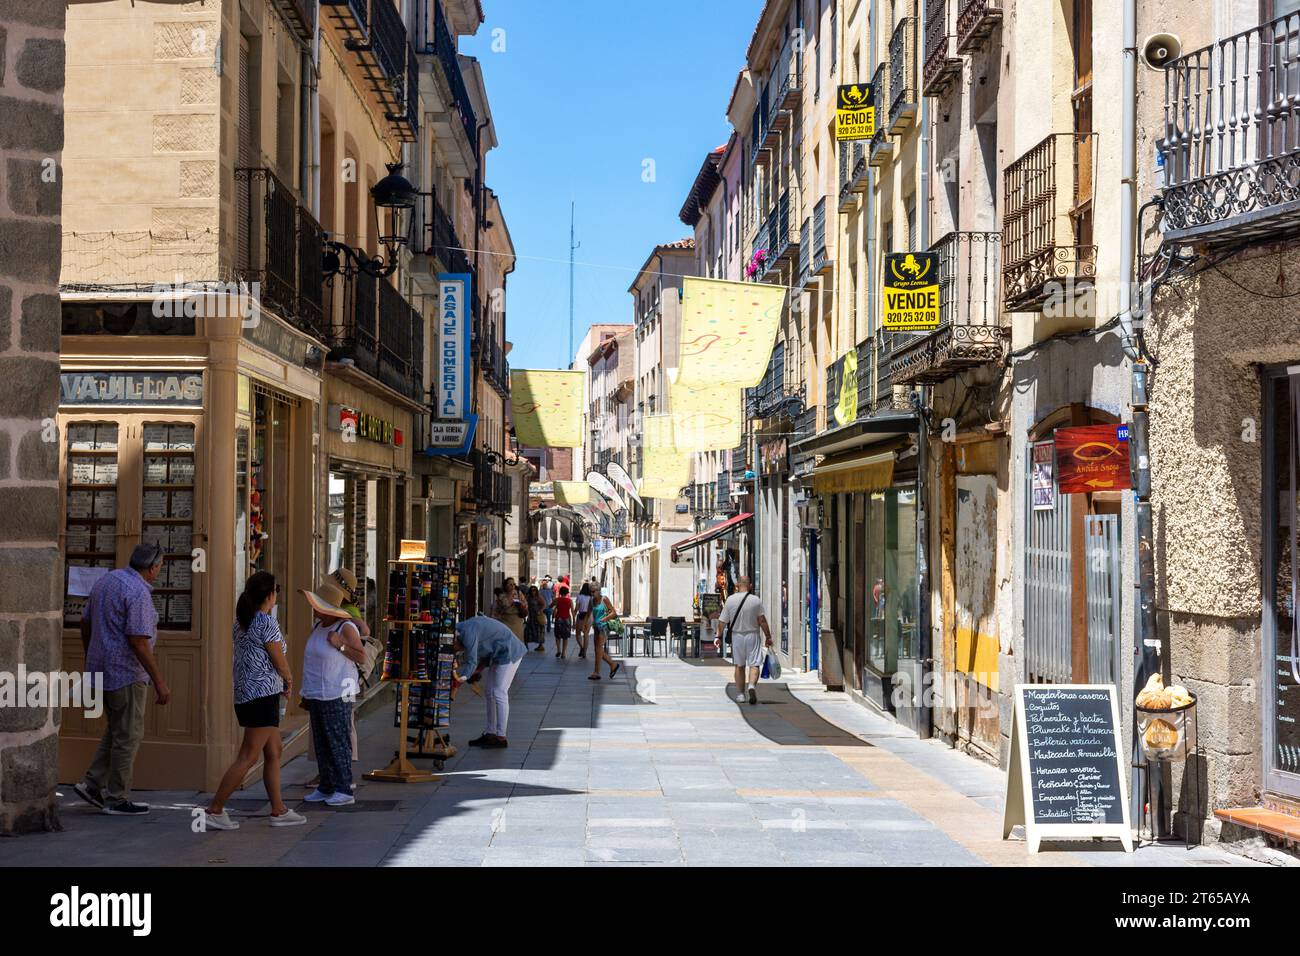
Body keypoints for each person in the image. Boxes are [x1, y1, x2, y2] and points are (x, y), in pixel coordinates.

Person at [74, 543, 171, 816]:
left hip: (101, 669)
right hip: (125, 672)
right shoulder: (138, 592)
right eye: (160, 567)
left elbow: (84, 622)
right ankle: (116, 798)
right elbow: (139, 641)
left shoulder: (107, 580)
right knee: (128, 735)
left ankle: (92, 783)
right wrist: (160, 682)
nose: (159, 571)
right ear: (153, 568)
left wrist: (91, 654)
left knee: (118, 729)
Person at [202, 572, 305, 830]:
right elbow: (279, 660)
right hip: (262, 696)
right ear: (269, 594)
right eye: (276, 589)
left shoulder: (242, 621)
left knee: (274, 750)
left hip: (247, 694)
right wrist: (290, 680)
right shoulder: (266, 623)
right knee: (247, 756)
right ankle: (215, 809)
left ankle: (278, 810)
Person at [299, 583, 367, 807]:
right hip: (318, 692)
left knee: (338, 741)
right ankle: (326, 785)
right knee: (322, 742)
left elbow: (361, 657)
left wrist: (341, 646)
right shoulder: (318, 626)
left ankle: (343, 788)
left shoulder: (345, 627)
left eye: (317, 605)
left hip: (338, 692)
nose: (313, 609)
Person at [453, 614, 528, 748]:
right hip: (500, 654)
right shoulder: (463, 629)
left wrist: (460, 680)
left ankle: (501, 737)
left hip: (510, 652)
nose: (457, 651)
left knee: (499, 692)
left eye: (456, 649)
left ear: (455, 640)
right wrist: (478, 671)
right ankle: (490, 733)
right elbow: (487, 647)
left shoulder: (467, 632)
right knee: (489, 692)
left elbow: (471, 661)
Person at [714, 576, 773, 705]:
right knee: (754, 664)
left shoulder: (730, 600)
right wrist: (768, 636)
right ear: (750, 586)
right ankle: (751, 686)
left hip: (737, 636)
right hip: (752, 635)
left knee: (739, 666)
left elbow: (722, 621)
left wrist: (717, 636)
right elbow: (762, 620)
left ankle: (741, 694)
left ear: (737, 586)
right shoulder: (755, 600)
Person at [588, 588, 622, 681]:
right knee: (597, 650)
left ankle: (597, 672)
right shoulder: (591, 601)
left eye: (593, 591)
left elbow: (614, 613)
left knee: (598, 649)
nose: (592, 593)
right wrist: (585, 625)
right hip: (596, 627)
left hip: (604, 627)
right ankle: (611, 665)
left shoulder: (604, 599)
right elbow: (588, 613)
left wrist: (604, 619)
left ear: (598, 591)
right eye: (590, 591)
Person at [491, 577, 527, 644]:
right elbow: (495, 611)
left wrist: (519, 606)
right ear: (505, 586)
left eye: (514, 584)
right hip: (505, 622)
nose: (513, 586)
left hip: (517, 622)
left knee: (516, 644)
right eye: (510, 584)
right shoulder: (501, 596)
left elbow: (525, 605)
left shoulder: (519, 594)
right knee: (506, 643)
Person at [552, 585, 574, 659]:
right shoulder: (570, 601)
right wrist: (573, 622)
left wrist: (555, 607)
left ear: (560, 592)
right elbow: (573, 612)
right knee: (565, 637)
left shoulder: (557, 600)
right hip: (567, 619)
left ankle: (558, 650)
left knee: (557, 636)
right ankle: (563, 653)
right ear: (567, 593)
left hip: (558, 619)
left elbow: (550, 606)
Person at [573, 582, 594, 660]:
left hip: (581, 616)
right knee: (586, 634)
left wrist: (573, 619)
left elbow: (576, 609)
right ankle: (584, 652)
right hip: (589, 616)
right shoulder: (591, 597)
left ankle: (581, 647)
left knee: (578, 634)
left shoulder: (579, 596)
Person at [525, 584, 546, 652]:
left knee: (539, 630)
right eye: (531, 590)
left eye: (534, 590)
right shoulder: (528, 597)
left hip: (537, 616)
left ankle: (540, 645)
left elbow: (544, 604)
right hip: (530, 616)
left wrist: (540, 611)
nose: (533, 591)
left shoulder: (539, 597)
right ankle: (526, 645)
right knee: (527, 631)